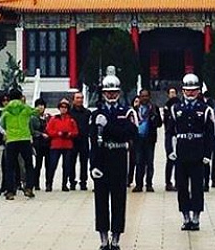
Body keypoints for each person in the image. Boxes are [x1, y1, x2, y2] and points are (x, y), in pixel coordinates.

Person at [90, 74, 138, 250]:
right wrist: (93, 165)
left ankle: (116, 237)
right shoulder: (96, 114)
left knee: (119, 200)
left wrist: (108, 127)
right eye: (108, 92)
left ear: (119, 92)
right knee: (101, 201)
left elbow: (129, 134)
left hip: (118, 158)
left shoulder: (126, 112)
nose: (111, 95)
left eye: (114, 92)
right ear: (103, 94)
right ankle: (103, 237)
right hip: (102, 159)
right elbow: (93, 142)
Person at [168, 73, 215, 231]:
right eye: (188, 90)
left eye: (193, 90)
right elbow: (169, 132)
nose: (190, 93)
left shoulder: (205, 109)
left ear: (198, 91)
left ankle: (196, 217)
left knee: (197, 186)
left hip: (197, 151)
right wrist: (170, 151)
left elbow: (210, 134)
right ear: (183, 91)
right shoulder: (176, 109)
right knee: (181, 186)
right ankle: (185, 216)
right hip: (182, 151)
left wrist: (208, 154)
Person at [0, 88, 37, 200]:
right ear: (21, 97)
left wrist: (8, 132)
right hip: (25, 139)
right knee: (29, 165)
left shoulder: (5, 110)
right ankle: (29, 187)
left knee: (10, 166)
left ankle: (10, 191)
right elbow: (36, 112)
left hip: (11, 140)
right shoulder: (25, 108)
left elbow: (1, 124)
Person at [45, 98, 79, 191]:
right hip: (56, 144)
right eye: (62, 107)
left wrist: (69, 134)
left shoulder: (71, 120)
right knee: (52, 165)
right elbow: (49, 130)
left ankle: (64, 184)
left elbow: (75, 132)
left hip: (67, 145)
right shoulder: (54, 119)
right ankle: (49, 183)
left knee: (66, 166)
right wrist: (58, 133)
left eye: (65, 107)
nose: (63, 109)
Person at [133, 89, 162, 193]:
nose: (144, 98)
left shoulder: (154, 108)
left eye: (146, 96)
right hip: (138, 139)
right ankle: (138, 184)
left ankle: (149, 184)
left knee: (149, 162)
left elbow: (159, 124)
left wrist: (155, 117)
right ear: (139, 97)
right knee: (138, 162)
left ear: (149, 97)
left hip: (150, 139)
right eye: (142, 96)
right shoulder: (135, 109)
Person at [68, 91, 91, 191]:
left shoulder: (87, 113)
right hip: (72, 141)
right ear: (73, 100)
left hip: (84, 140)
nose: (79, 100)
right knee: (71, 162)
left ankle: (83, 182)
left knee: (84, 162)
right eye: (77, 98)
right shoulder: (69, 113)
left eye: (81, 98)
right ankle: (72, 182)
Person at [30, 97, 50, 191]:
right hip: (38, 143)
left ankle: (48, 183)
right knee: (38, 165)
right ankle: (36, 183)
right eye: (38, 105)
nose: (40, 107)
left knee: (49, 165)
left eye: (42, 105)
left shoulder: (48, 117)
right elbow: (32, 130)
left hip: (48, 144)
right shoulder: (33, 118)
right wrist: (41, 134)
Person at [163, 86, 179, 191]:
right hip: (170, 135)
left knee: (180, 161)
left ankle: (179, 181)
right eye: (170, 92)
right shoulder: (166, 106)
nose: (172, 94)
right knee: (170, 159)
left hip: (179, 136)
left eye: (174, 92)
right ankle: (168, 182)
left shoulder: (179, 105)